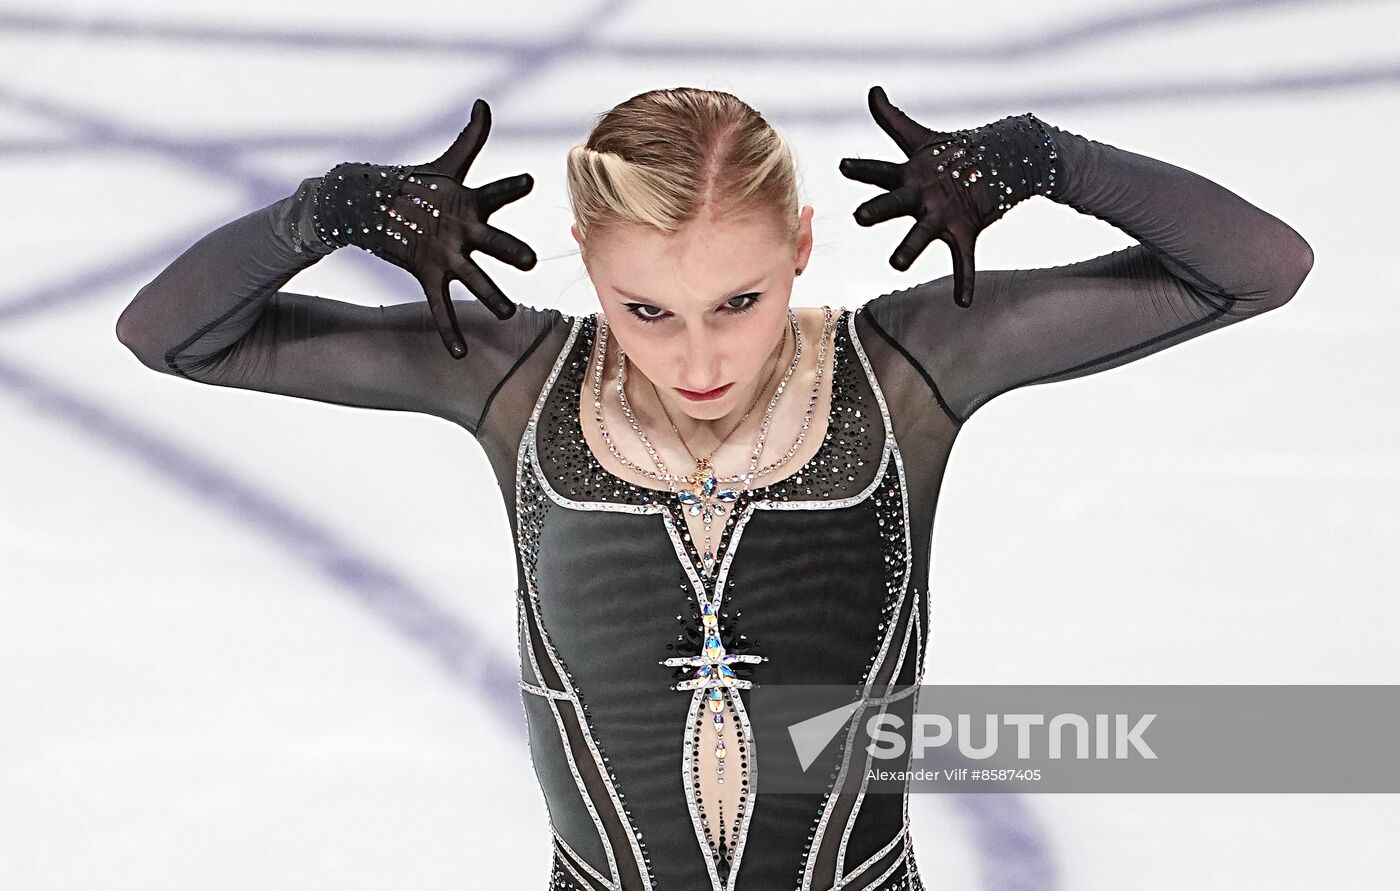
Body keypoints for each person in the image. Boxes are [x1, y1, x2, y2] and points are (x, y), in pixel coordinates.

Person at [115, 86, 1313, 891]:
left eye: (738, 301)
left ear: (798, 243)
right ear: (585, 265)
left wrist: (1050, 161)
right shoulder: (513, 380)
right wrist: (329, 209)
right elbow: (170, 336)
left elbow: (1256, 268)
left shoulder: (907, 372)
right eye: (645, 311)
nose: (697, 362)